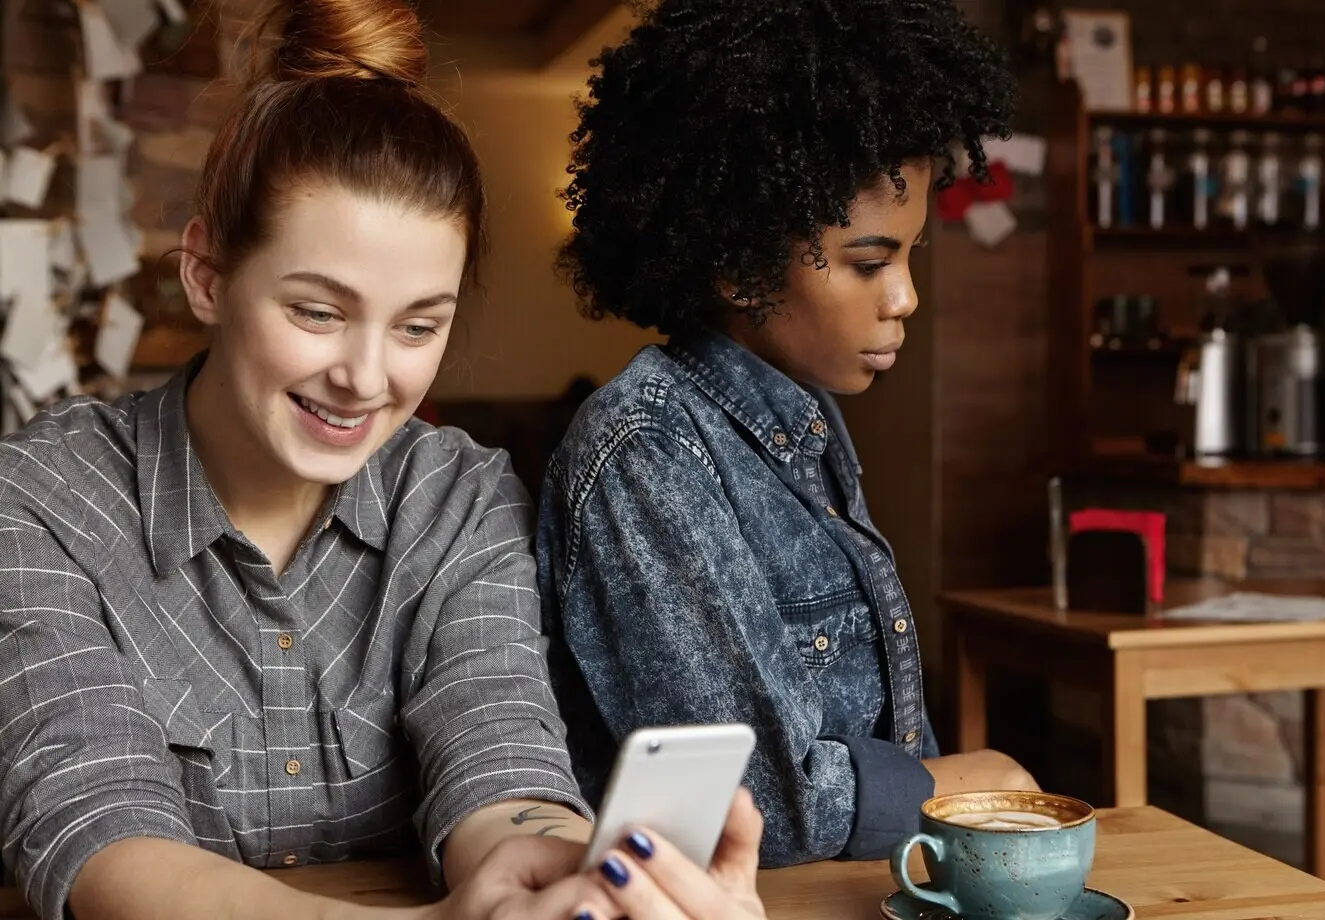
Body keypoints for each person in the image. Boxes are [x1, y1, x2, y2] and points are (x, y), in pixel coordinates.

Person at [0, 2, 765, 919]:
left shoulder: (459, 496)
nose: (365, 379)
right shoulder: (45, 497)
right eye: (317, 312)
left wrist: (575, 879)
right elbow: (99, 835)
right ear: (206, 276)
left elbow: (498, 748)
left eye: (417, 326)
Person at [538, 0, 1040, 869]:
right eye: (870, 262)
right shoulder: (645, 452)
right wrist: (954, 786)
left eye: (911, 257)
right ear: (738, 263)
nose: (904, 298)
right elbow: (750, 797)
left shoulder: (804, 420)